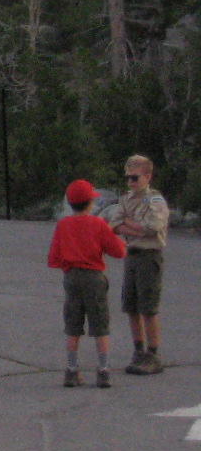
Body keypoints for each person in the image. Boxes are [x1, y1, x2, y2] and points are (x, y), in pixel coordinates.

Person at [48, 178, 125, 388]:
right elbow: (119, 251)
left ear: (70, 203)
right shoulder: (98, 224)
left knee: (73, 326)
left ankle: (72, 371)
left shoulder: (63, 225)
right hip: (94, 277)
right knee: (100, 325)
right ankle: (103, 370)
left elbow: (53, 258)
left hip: (72, 277)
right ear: (90, 203)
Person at [108, 155, 169, 374]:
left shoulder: (155, 200)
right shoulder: (126, 199)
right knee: (131, 306)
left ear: (147, 177)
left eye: (135, 178)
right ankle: (138, 350)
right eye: (128, 178)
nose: (130, 182)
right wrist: (135, 226)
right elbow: (114, 224)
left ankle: (152, 354)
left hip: (149, 255)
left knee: (148, 307)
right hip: (132, 255)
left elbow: (153, 227)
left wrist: (127, 222)